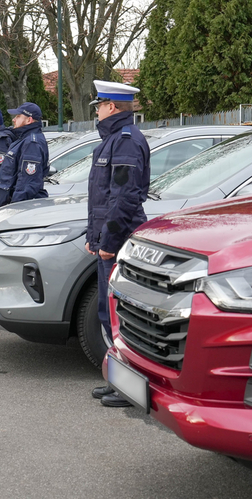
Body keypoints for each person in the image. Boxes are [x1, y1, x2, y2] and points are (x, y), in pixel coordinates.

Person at [86, 80, 150, 408]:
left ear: (112, 107)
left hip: (119, 240)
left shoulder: (125, 142)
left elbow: (123, 199)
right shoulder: (113, 141)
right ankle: (117, 381)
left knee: (119, 316)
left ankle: (127, 388)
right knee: (107, 313)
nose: (96, 111)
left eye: (99, 105)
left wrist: (108, 241)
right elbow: (101, 197)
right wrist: (92, 237)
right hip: (107, 241)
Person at [0, 102, 49, 210]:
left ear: (29, 120)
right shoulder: (23, 139)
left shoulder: (31, 143)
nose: (14, 119)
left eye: (18, 116)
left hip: (14, 209)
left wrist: (14, 209)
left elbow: (27, 184)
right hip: (5, 205)